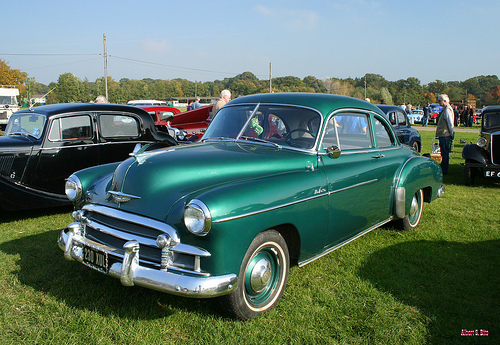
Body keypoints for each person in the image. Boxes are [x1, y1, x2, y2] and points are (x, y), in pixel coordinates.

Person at [435, 94, 454, 175]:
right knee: (443, 153)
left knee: (445, 153)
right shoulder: (445, 109)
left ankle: (444, 170)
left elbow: (450, 123)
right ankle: (443, 168)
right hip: (443, 135)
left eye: (440, 100)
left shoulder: (447, 110)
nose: (439, 102)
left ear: (445, 101)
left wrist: (451, 133)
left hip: (445, 135)